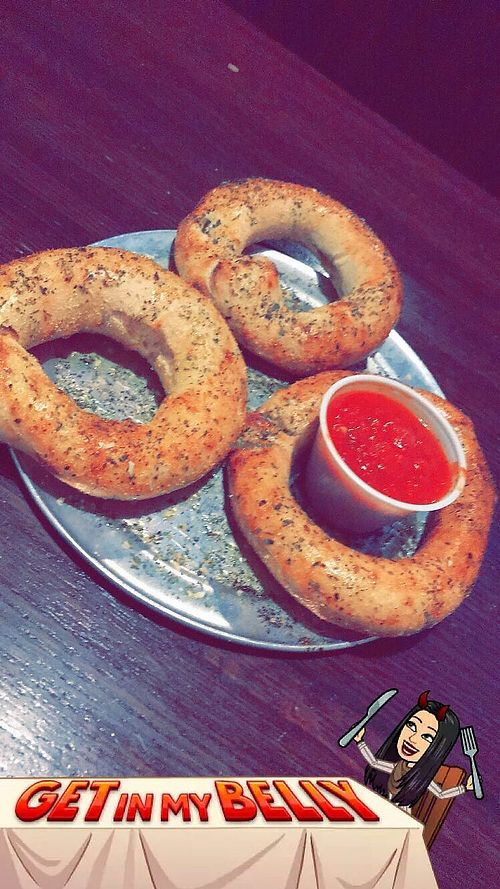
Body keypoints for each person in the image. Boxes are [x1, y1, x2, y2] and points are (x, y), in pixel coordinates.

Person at [355, 691, 473, 812]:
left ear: (438, 747)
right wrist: (360, 741)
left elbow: (441, 794)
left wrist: (465, 788)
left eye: (427, 737)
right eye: (411, 725)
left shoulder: (421, 777)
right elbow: (374, 763)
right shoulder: (398, 766)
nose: (412, 738)